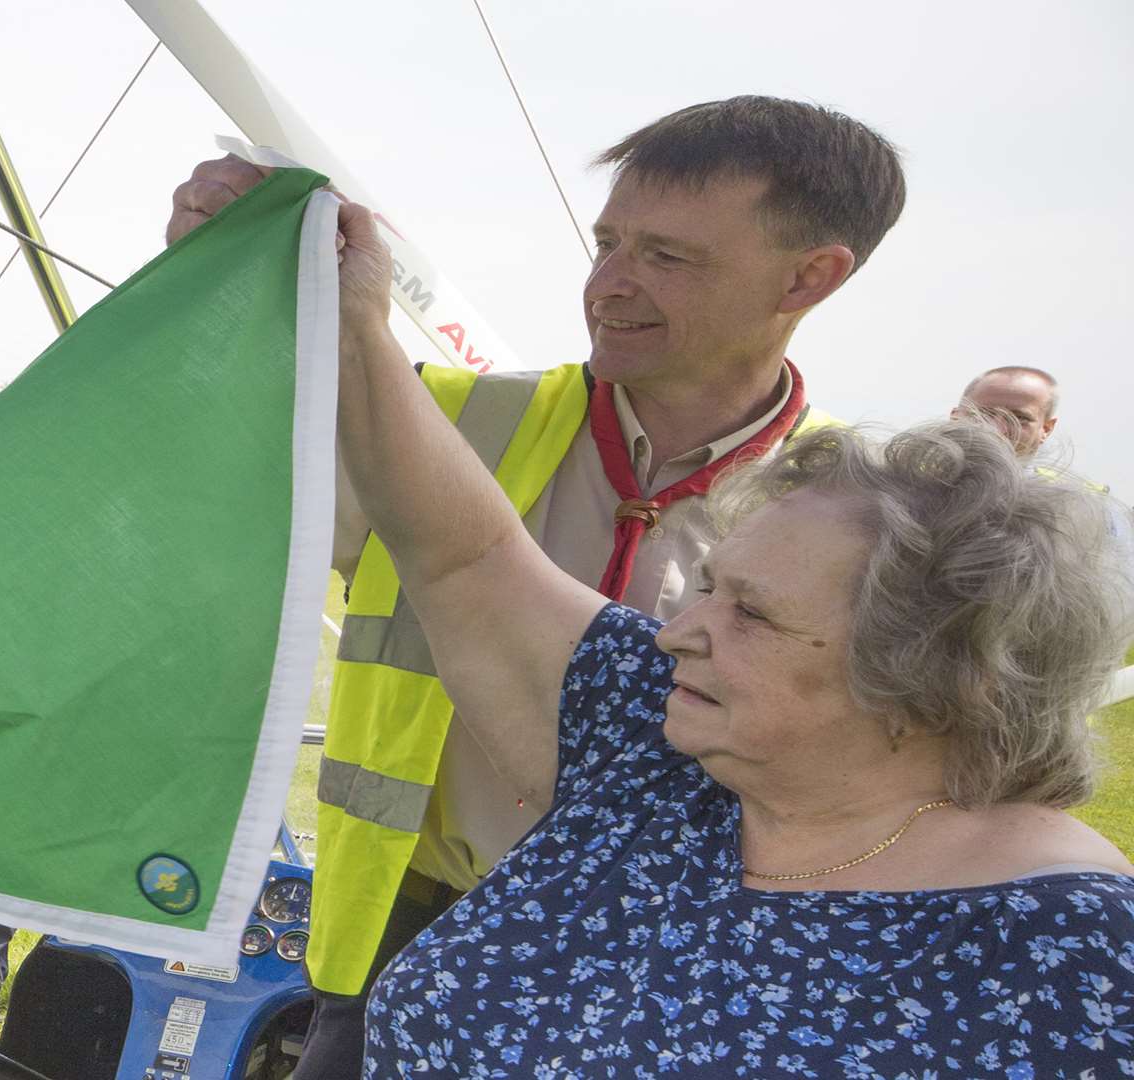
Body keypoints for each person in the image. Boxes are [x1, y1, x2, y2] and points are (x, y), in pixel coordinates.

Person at [166, 95, 906, 1074]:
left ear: (811, 276)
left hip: (676, 966)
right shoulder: (432, 419)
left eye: (668, 258)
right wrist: (220, 290)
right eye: (607, 243)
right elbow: (209, 500)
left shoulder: (860, 522)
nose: (609, 285)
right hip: (400, 946)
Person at [327, 188, 1134, 1073]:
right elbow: (465, 554)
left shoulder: (1070, 951)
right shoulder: (654, 743)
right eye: (708, 588)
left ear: (938, 677)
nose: (677, 633)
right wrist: (358, 316)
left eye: (752, 612)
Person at [950, 365, 1060, 457]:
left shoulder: (1059, 483)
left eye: (1020, 418)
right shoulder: (933, 480)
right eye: (983, 414)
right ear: (955, 418)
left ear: (1046, 429)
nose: (997, 430)